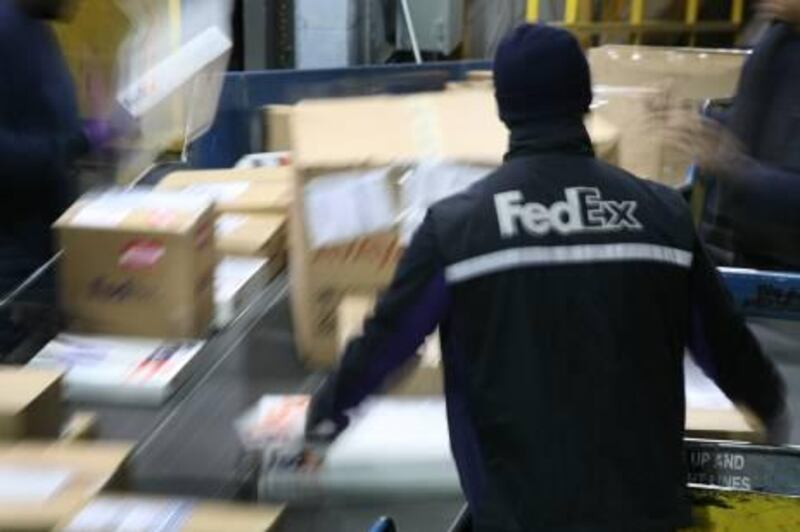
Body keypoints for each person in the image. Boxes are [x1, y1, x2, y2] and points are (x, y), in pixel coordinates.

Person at [305, 24, 789, 531]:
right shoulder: (662, 215)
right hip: (646, 517)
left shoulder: (458, 229)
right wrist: (772, 408)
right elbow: (724, 343)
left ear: (504, 108)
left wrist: (323, 417)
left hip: (520, 519)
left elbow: (389, 342)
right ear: (583, 100)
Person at [0, 0, 116, 356]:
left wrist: (92, 133)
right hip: (13, 272)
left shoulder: (32, 25)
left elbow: (40, 122)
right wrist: (82, 140)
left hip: (44, 255)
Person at [666, 0, 800, 271]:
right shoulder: (781, 38)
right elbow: (755, 122)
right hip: (746, 254)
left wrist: (732, 166)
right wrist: (698, 123)